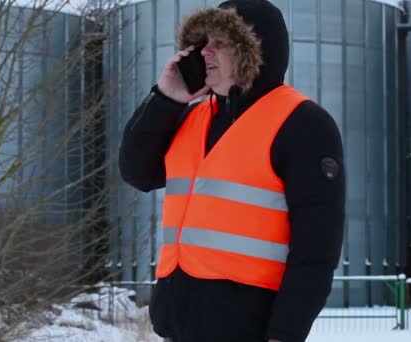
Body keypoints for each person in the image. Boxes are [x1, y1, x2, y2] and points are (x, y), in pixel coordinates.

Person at [119, 0, 345, 341]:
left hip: (248, 329)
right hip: (178, 328)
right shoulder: (192, 117)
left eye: (219, 44)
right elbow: (136, 172)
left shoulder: (303, 124)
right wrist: (166, 97)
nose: (203, 53)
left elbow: (316, 250)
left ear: (252, 51)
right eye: (201, 43)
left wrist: (285, 334)